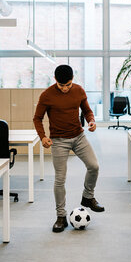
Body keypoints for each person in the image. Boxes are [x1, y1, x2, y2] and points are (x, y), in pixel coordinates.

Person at [33, 65, 104, 233]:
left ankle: (88, 197)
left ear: (73, 79)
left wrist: (91, 121)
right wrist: (43, 136)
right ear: (55, 81)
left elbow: (87, 111)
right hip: (58, 141)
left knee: (94, 166)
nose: (65, 88)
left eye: (68, 85)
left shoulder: (78, 91)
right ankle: (60, 217)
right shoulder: (47, 95)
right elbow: (37, 118)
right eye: (61, 85)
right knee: (60, 179)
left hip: (79, 137)